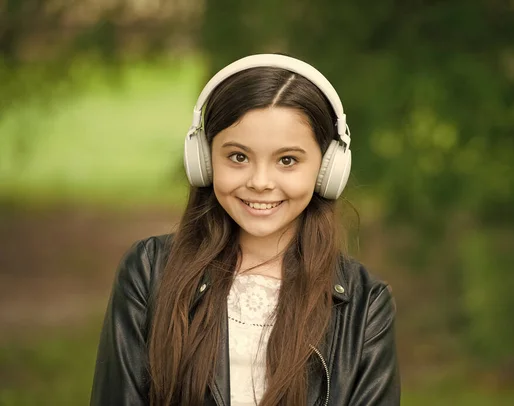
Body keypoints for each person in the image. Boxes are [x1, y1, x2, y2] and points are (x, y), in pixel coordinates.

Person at [90, 54, 400, 406]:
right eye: (238, 157)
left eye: (287, 160)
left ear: (328, 170)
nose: (260, 182)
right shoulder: (148, 270)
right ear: (203, 161)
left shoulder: (365, 304)